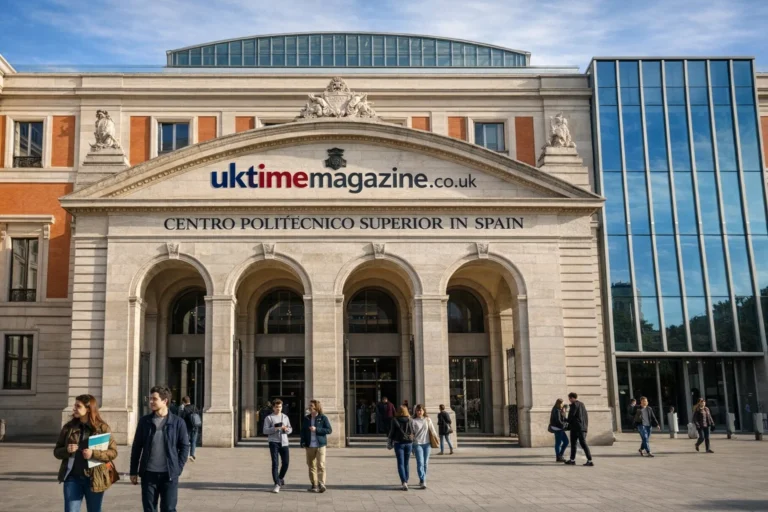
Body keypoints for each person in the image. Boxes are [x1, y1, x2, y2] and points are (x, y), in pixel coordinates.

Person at [130, 385, 190, 512]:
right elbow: (136, 447)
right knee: (149, 509)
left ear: (165, 401)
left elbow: (184, 447)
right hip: (148, 474)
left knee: (168, 508)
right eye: (150, 398)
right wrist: (133, 471)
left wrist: (177, 468)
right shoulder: (144, 421)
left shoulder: (178, 422)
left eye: (154, 399)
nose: (151, 402)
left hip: (169, 475)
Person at [54, 394, 119, 512]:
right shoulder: (69, 427)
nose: (74, 408)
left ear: (88, 409)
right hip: (72, 478)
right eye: (74, 405)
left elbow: (113, 452)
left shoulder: (102, 428)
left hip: (94, 478)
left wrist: (94, 453)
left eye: (78, 406)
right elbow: (57, 452)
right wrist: (67, 450)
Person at [300, 399, 333, 493]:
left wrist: (316, 429)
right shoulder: (306, 418)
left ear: (316, 407)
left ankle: (321, 484)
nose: (309, 407)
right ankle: (314, 485)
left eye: (311, 406)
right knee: (311, 465)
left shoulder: (323, 418)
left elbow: (329, 430)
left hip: (320, 445)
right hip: (309, 445)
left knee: (321, 465)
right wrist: (302, 442)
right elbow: (302, 431)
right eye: (309, 405)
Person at [264, 398, 293, 493]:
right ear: (273, 408)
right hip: (273, 442)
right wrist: (275, 428)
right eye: (276, 407)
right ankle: (277, 483)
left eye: (280, 407)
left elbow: (290, 428)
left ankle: (280, 478)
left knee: (286, 462)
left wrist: (287, 430)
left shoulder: (285, 417)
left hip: (284, 442)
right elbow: (265, 430)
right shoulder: (269, 418)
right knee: (275, 463)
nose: (278, 409)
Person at [388, 405, 415, 491]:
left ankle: (404, 482)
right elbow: (413, 431)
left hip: (399, 443)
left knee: (400, 463)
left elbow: (392, 432)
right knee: (406, 463)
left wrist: (390, 441)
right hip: (409, 443)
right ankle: (406, 480)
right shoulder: (410, 419)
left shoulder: (394, 420)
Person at [411, 404, 438, 489]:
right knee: (420, 462)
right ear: (415, 411)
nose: (419, 412)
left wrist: (437, 438)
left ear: (424, 411)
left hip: (427, 444)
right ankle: (422, 480)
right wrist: (411, 444)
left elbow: (432, 430)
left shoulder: (427, 419)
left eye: (421, 410)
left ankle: (423, 478)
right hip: (417, 443)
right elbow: (411, 434)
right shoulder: (413, 421)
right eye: (418, 410)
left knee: (425, 463)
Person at [565, 392, 593, 466]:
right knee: (581, 444)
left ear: (572, 398)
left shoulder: (574, 405)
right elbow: (585, 416)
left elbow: (571, 416)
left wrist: (565, 418)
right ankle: (573, 460)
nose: (569, 400)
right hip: (582, 427)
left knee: (577, 444)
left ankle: (588, 460)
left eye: (570, 398)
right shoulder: (582, 404)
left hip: (576, 428)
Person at [178, 396, 201, 462]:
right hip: (195, 426)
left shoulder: (185, 408)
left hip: (187, 427)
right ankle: (192, 455)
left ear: (183, 402)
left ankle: (186, 455)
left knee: (186, 442)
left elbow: (182, 418)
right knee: (193, 441)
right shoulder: (194, 407)